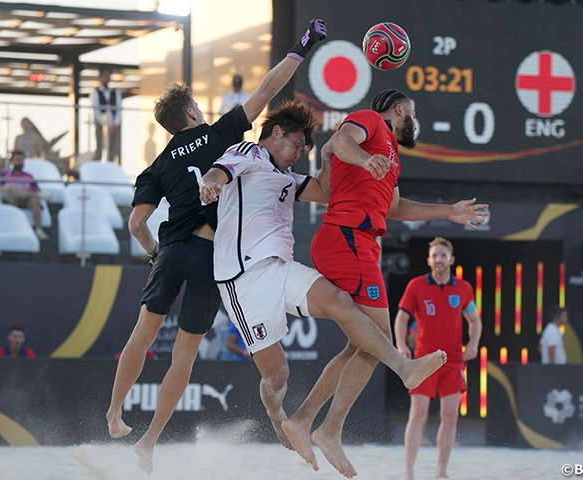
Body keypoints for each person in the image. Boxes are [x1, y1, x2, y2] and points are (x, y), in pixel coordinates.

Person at [105, 18, 328, 475]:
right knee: (182, 356)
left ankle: (113, 414)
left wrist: (154, 252)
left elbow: (135, 223)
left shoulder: (157, 164)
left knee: (142, 336)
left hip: (173, 250)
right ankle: (148, 442)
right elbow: (267, 90)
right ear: (191, 114)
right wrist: (301, 47)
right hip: (213, 258)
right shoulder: (217, 135)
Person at [199, 99, 447, 470]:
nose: (300, 153)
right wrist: (209, 183)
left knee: (341, 303)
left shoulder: (289, 177)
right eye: (297, 144)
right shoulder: (248, 151)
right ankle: (276, 413)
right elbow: (221, 171)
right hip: (244, 279)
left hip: (282, 269)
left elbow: (325, 191)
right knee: (277, 375)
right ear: (276, 133)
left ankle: (391, 371)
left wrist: (330, 161)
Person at [283, 89, 489, 478]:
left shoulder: (391, 156)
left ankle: (307, 421)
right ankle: (329, 426)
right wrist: (365, 157)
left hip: (357, 241)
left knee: (363, 345)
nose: (416, 119)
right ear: (399, 109)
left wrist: (450, 212)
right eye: (414, 112)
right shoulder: (372, 121)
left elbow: (396, 208)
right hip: (349, 237)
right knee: (378, 342)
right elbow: (340, 140)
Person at [393, 237, 482, 480]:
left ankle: (441, 471)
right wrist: (401, 344)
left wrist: (473, 344)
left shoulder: (463, 288)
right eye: (435, 255)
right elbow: (402, 318)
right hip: (425, 359)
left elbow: (474, 320)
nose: (439, 259)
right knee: (418, 413)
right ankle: (409, 471)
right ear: (428, 260)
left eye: (443, 255)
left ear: (451, 259)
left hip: (453, 360)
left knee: (450, 416)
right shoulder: (416, 286)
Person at [0, 150, 49, 241]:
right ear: (12, 161)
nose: (19, 162)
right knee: (8, 188)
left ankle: (38, 229)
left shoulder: (28, 176)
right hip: (11, 200)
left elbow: (37, 189)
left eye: (21, 160)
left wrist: (32, 194)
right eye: (17, 160)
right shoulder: (5, 174)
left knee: (34, 200)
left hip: (26, 200)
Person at [92, 66, 122, 162]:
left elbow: (118, 109)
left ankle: (111, 162)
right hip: (101, 123)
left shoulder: (115, 93)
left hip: (113, 124)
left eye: (108, 76)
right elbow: (96, 110)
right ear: (100, 77)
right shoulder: (95, 92)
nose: (106, 78)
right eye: (104, 75)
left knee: (113, 147)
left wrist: (115, 123)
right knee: (100, 146)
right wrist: (103, 122)